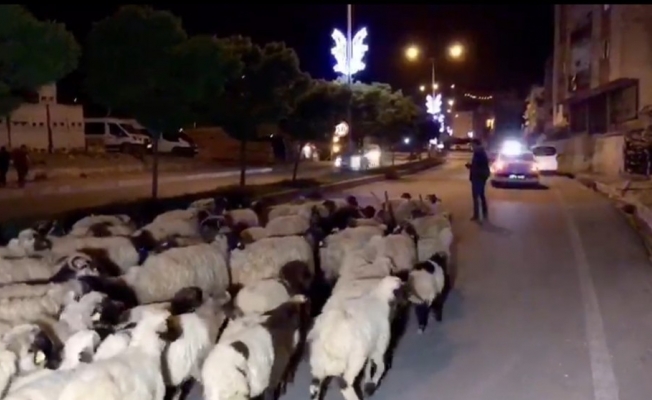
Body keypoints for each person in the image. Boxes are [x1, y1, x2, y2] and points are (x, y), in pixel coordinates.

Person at [465, 139, 491, 222]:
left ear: (476, 145)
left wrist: (470, 166)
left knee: (476, 196)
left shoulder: (479, 153)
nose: (472, 147)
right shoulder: (481, 152)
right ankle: (484, 213)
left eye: (472, 145)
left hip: (478, 177)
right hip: (480, 176)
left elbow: (478, 166)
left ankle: (477, 215)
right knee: (481, 195)